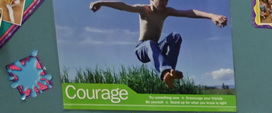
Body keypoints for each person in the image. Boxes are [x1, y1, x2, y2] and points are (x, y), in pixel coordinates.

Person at [88, 0, 227, 89]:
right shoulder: (143, 9)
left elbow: (190, 12)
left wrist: (212, 16)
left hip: (155, 49)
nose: (164, 5)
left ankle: (170, 73)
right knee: (149, 43)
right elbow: (123, 6)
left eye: (166, 2)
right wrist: (102, 2)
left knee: (175, 37)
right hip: (141, 49)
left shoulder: (166, 11)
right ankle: (165, 71)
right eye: (161, 2)